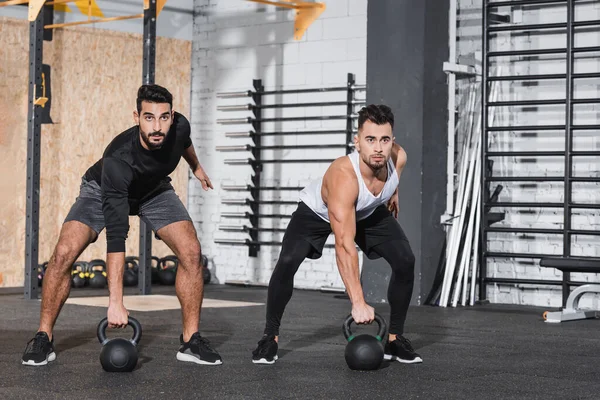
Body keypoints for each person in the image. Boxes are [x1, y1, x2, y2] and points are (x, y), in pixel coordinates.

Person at [22, 84, 222, 367]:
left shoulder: (179, 127)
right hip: (102, 189)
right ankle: (43, 336)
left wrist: (196, 167)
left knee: (191, 251)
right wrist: (116, 302)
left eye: (164, 117)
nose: (157, 126)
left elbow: (184, 142)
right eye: (149, 117)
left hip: (154, 191)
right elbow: (117, 236)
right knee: (64, 253)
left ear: (172, 116)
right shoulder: (118, 159)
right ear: (136, 117)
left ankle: (191, 341)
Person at [251, 104, 422, 365]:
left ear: (392, 142)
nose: (378, 148)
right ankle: (269, 337)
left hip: (367, 211)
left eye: (385, 140)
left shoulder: (398, 158)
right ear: (357, 142)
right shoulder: (344, 176)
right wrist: (358, 302)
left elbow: (394, 175)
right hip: (316, 213)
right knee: (287, 262)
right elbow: (344, 245)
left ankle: (395, 340)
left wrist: (393, 193)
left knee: (405, 260)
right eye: (370, 140)